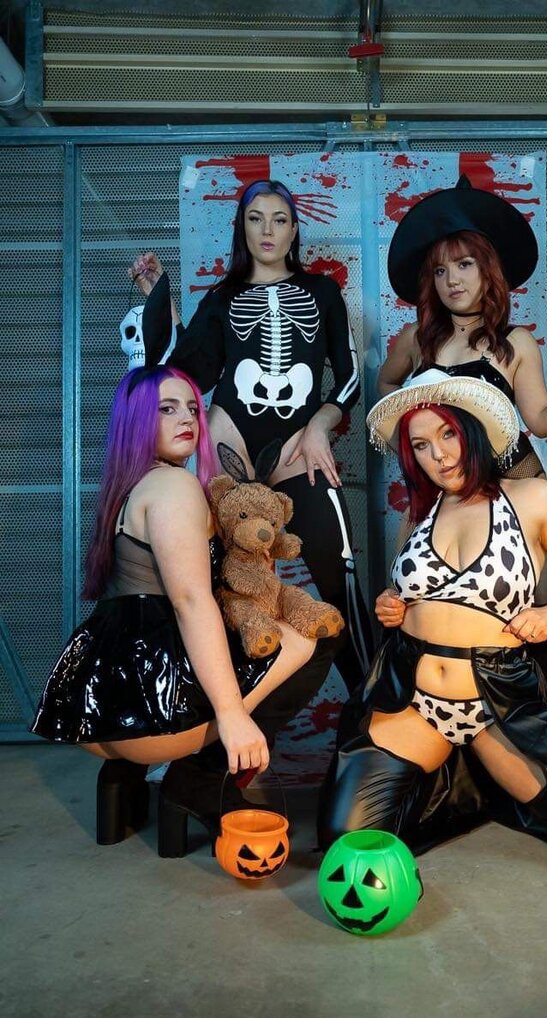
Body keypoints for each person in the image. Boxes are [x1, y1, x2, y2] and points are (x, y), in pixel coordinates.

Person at [318, 370, 547, 874]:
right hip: (410, 699)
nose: (439, 455)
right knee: (344, 843)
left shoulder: (532, 497)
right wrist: (392, 604)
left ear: (472, 430)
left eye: (448, 434)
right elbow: (408, 593)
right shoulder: (421, 513)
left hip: (498, 702)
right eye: (421, 446)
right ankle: (462, 781)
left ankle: (483, 778)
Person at [377, 177, 547, 723]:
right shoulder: (415, 341)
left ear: (489, 270)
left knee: (535, 616)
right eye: (440, 270)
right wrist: (410, 429)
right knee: (424, 606)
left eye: (464, 265)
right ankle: (448, 735)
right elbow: (386, 388)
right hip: (441, 492)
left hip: (515, 486)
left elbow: (541, 420)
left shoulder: (516, 342)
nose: (453, 280)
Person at [31, 366, 316, 856]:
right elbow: (190, 602)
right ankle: (198, 780)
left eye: (191, 407)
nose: (187, 418)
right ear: (136, 422)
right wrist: (231, 715)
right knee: (310, 630)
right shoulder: (175, 488)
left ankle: (121, 779)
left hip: (98, 717)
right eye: (166, 409)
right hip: (153, 718)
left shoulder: (129, 489)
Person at [128, 179, 374, 705]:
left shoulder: (322, 292)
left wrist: (320, 425)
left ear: (294, 229)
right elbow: (189, 372)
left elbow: (351, 377)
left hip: (298, 448)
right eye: (255, 218)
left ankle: (371, 703)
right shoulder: (222, 299)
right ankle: (212, 713)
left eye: (279, 219)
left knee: (339, 571)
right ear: (242, 228)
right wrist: (161, 305)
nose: (268, 229)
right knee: (212, 581)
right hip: (229, 444)